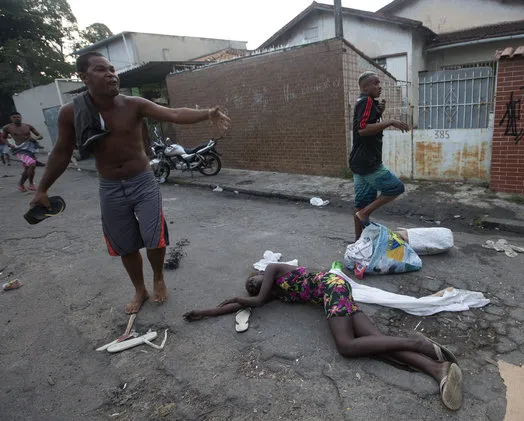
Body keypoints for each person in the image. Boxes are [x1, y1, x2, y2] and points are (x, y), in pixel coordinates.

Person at [30, 51, 231, 314]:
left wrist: (207, 113)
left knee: (154, 238)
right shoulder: (71, 113)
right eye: (102, 70)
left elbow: (173, 113)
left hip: (143, 181)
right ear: (83, 76)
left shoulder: (133, 104)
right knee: (125, 244)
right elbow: (61, 152)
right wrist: (42, 188)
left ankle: (158, 278)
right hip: (110, 187)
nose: (112, 75)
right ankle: (140, 289)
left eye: (112, 69)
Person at [183, 263, 463, 410]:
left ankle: (417, 342)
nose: (252, 285)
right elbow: (246, 304)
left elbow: (249, 302)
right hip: (338, 292)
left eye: (252, 282)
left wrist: (240, 296)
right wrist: (204, 312)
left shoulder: (272, 269)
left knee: (347, 346)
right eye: (251, 287)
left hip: (332, 288)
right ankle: (436, 368)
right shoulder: (274, 294)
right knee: (375, 343)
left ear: (259, 274)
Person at [349, 72, 410, 240]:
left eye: (379, 83)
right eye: (375, 83)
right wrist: (390, 122)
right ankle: (364, 214)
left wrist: (379, 111)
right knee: (395, 188)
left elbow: (367, 123)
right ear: (365, 87)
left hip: (358, 161)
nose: (379, 86)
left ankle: (358, 243)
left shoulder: (365, 102)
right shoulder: (367, 101)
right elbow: (363, 129)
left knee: (361, 203)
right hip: (369, 162)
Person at [3, 112, 43, 190]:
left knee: (28, 168)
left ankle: (20, 184)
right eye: (14, 117)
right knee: (32, 164)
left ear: (21, 117)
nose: (17, 118)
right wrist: (9, 145)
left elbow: (40, 136)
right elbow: (3, 138)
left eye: (18, 117)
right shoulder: (8, 127)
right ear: (11, 118)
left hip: (30, 149)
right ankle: (31, 184)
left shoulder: (28, 126)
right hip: (19, 149)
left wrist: (35, 138)